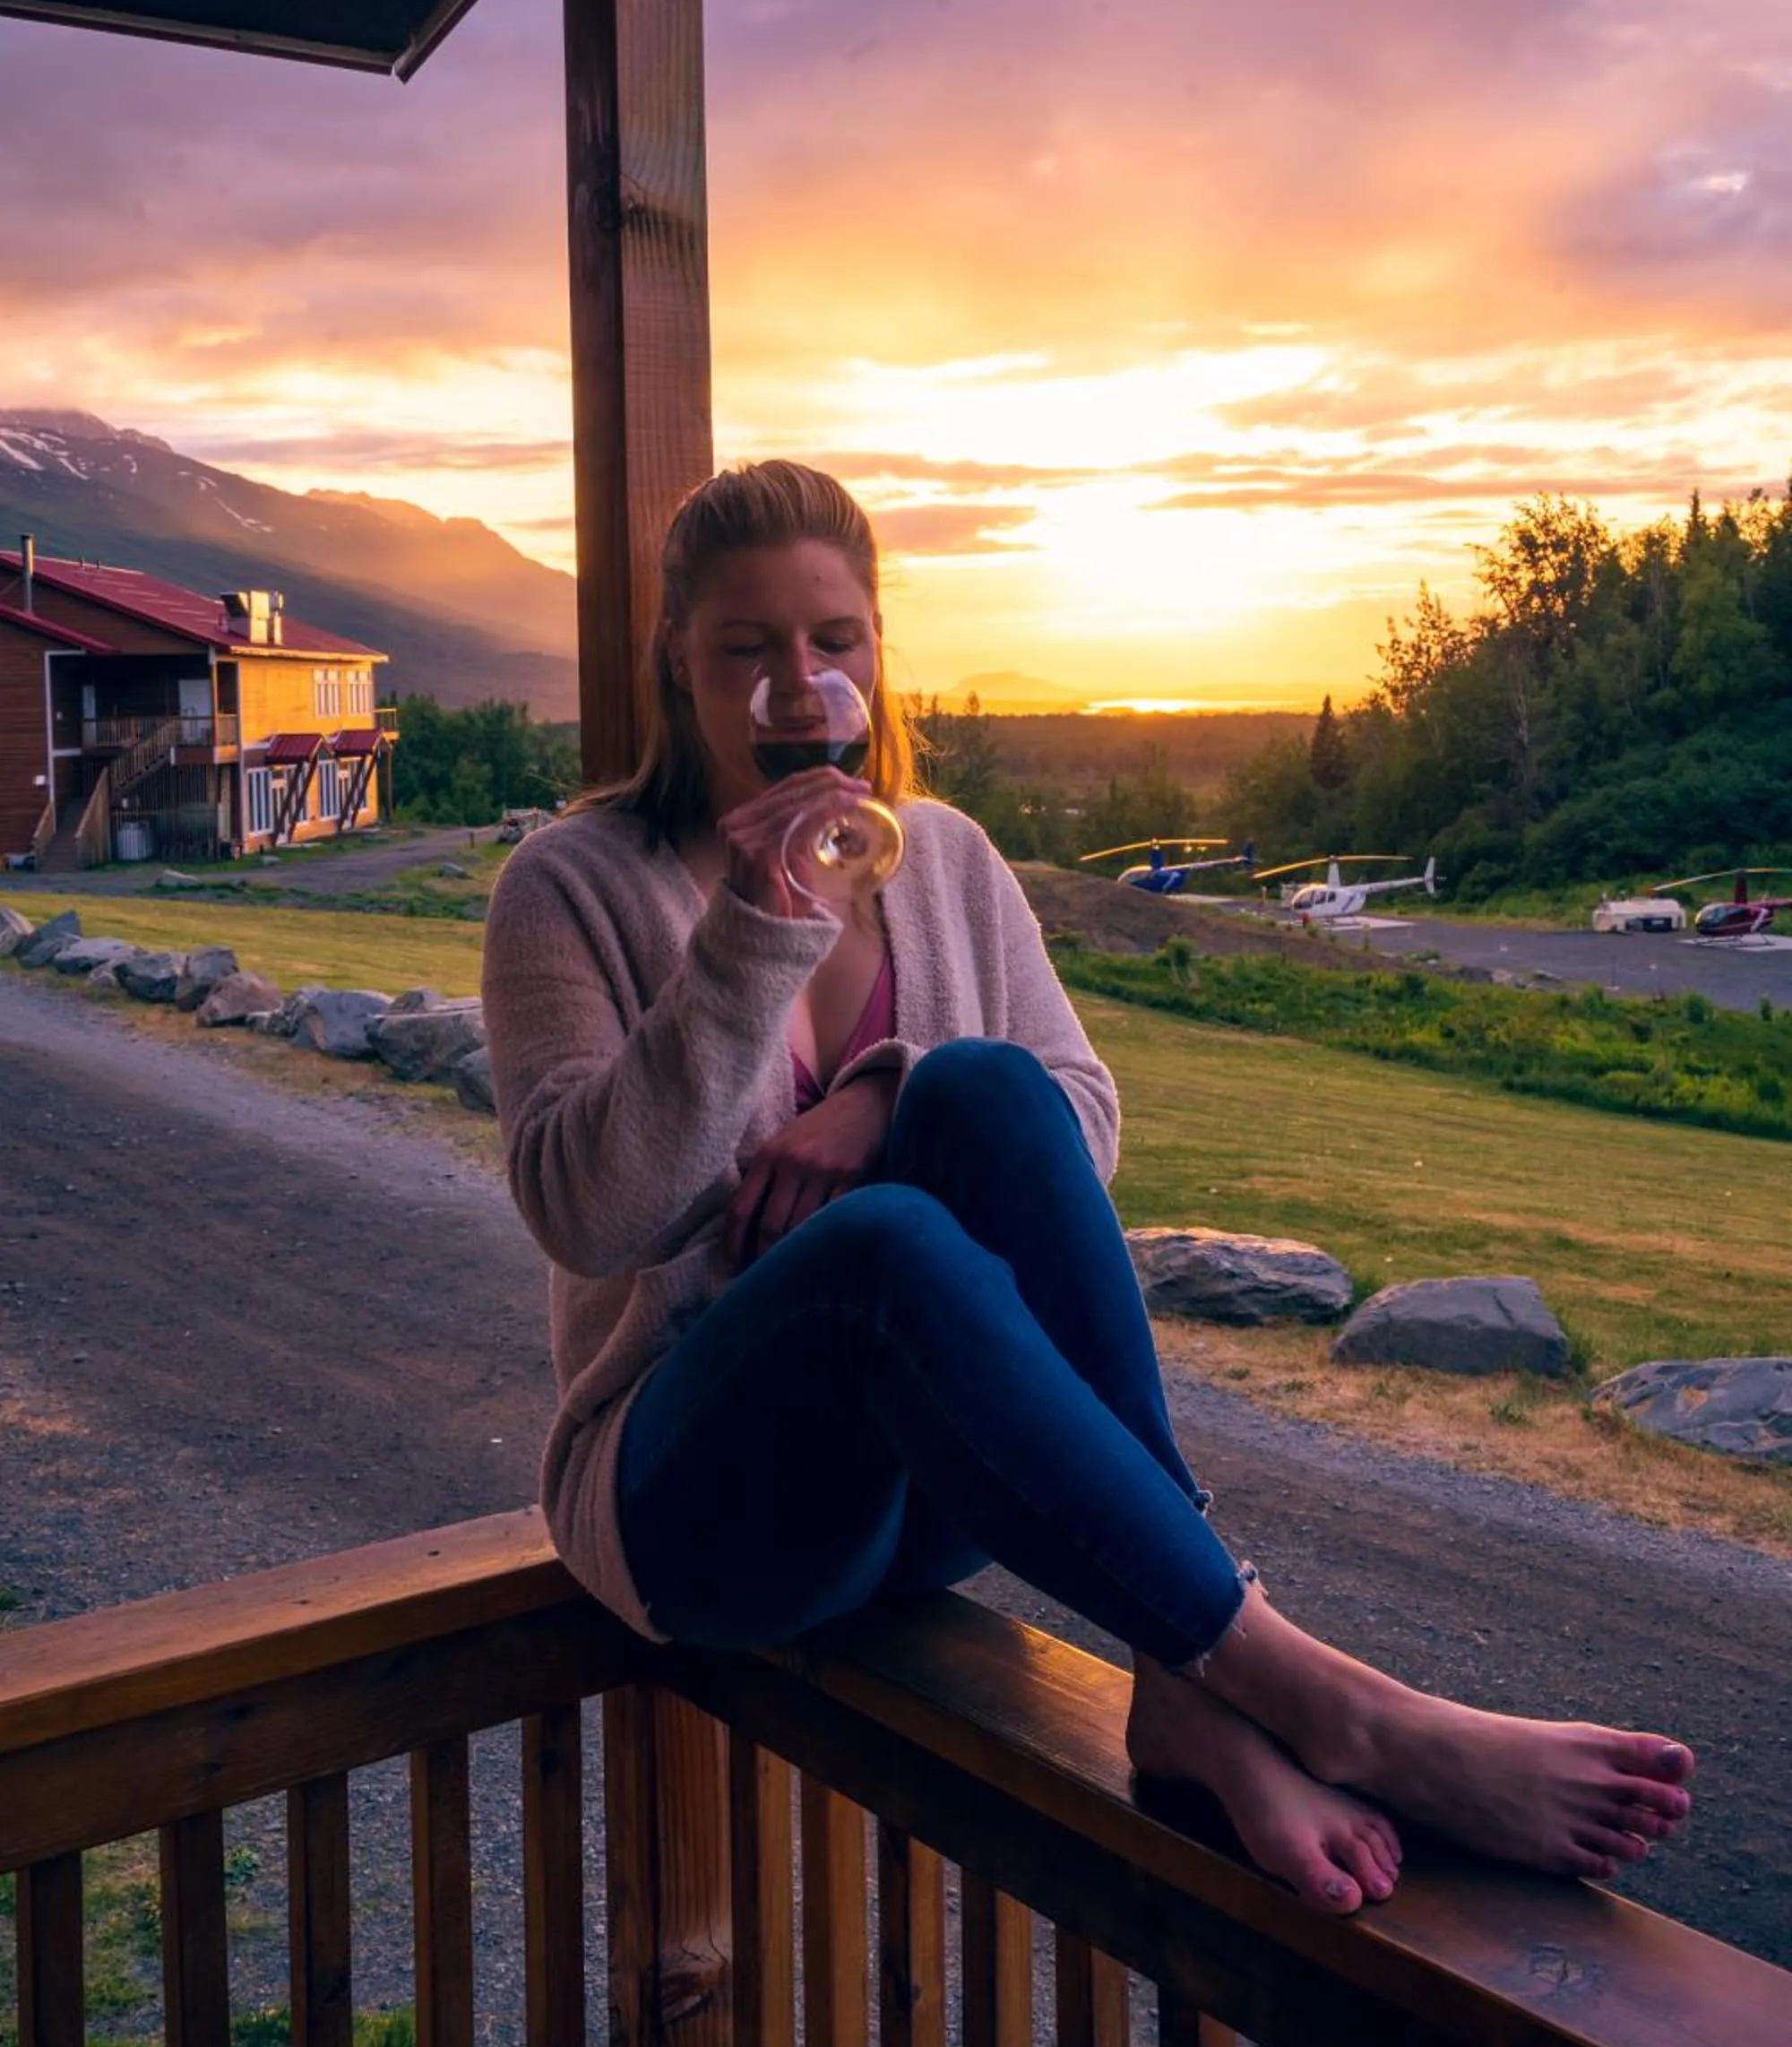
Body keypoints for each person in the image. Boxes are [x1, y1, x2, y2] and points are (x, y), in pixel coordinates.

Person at [482, 461, 1693, 1917]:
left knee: (984, 1088)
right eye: (747, 649)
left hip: (931, 1491)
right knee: (883, 1245)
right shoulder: (572, 884)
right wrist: (751, 934)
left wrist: (887, 1096)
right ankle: (1327, 1698)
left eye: (833, 641)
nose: (796, 688)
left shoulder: (948, 860)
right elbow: (588, 1216)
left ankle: (1181, 1682)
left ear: (877, 651)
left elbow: (1080, 1121)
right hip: (698, 1509)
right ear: (677, 661)